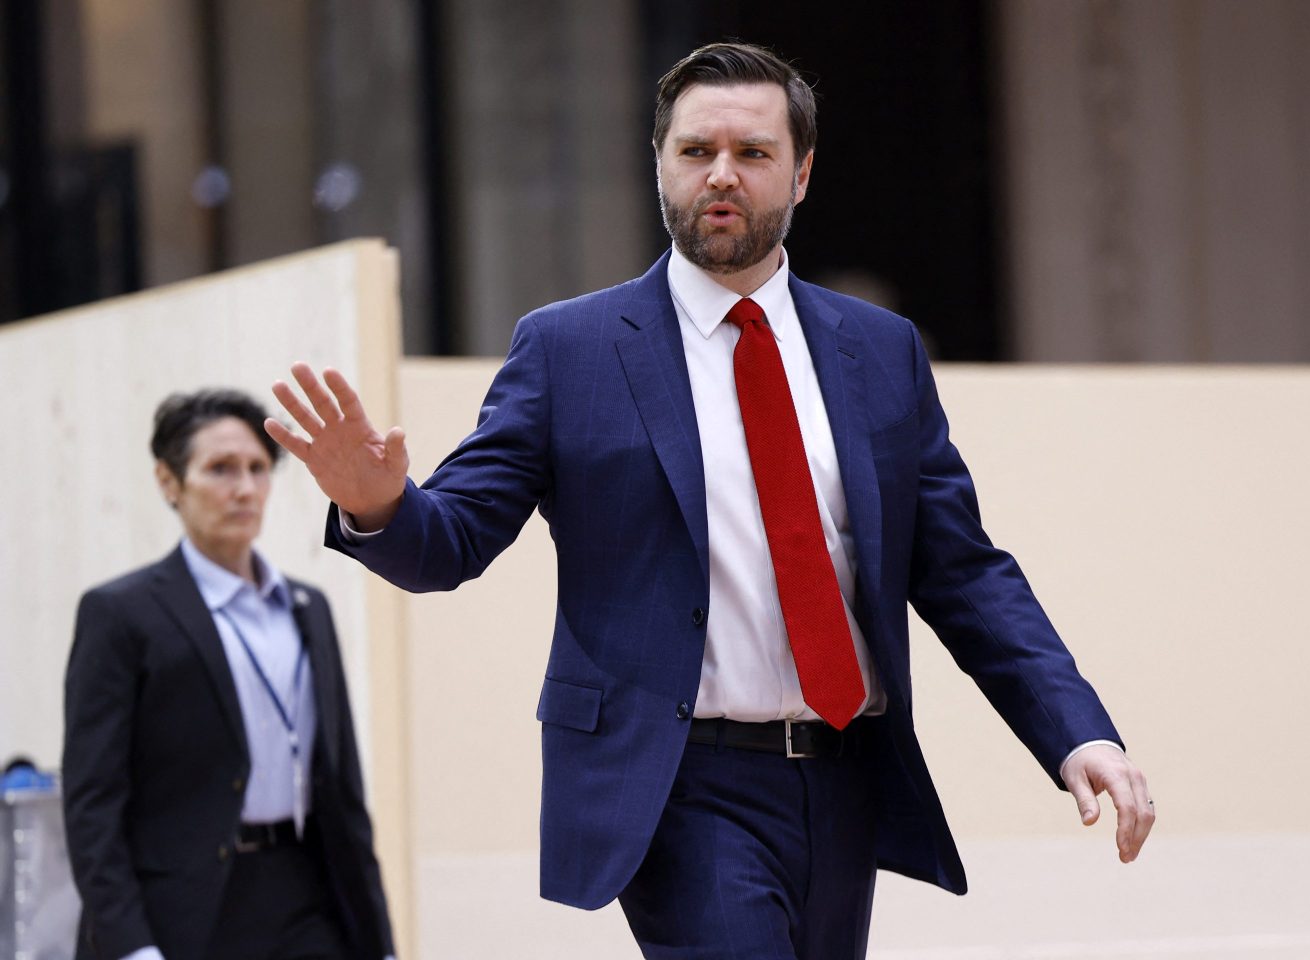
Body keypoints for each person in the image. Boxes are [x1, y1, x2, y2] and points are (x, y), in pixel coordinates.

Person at [268, 41, 1154, 959]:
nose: (721, 174)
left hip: (845, 779)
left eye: (753, 152)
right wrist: (379, 505)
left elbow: (963, 571)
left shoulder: (880, 351)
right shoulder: (570, 350)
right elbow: (451, 540)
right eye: (695, 151)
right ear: (660, 164)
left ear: (801, 174)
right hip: (679, 785)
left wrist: (1076, 733)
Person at [62, 388, 396, 960]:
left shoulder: (307, 607)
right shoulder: (121, 613)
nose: (244, 488)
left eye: (257, 469)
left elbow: (345, 794)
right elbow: (93, 803)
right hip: (182, 912)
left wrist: (379, 943)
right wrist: (130, 946)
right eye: (220, 469)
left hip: (307, 897)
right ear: (169, 482)